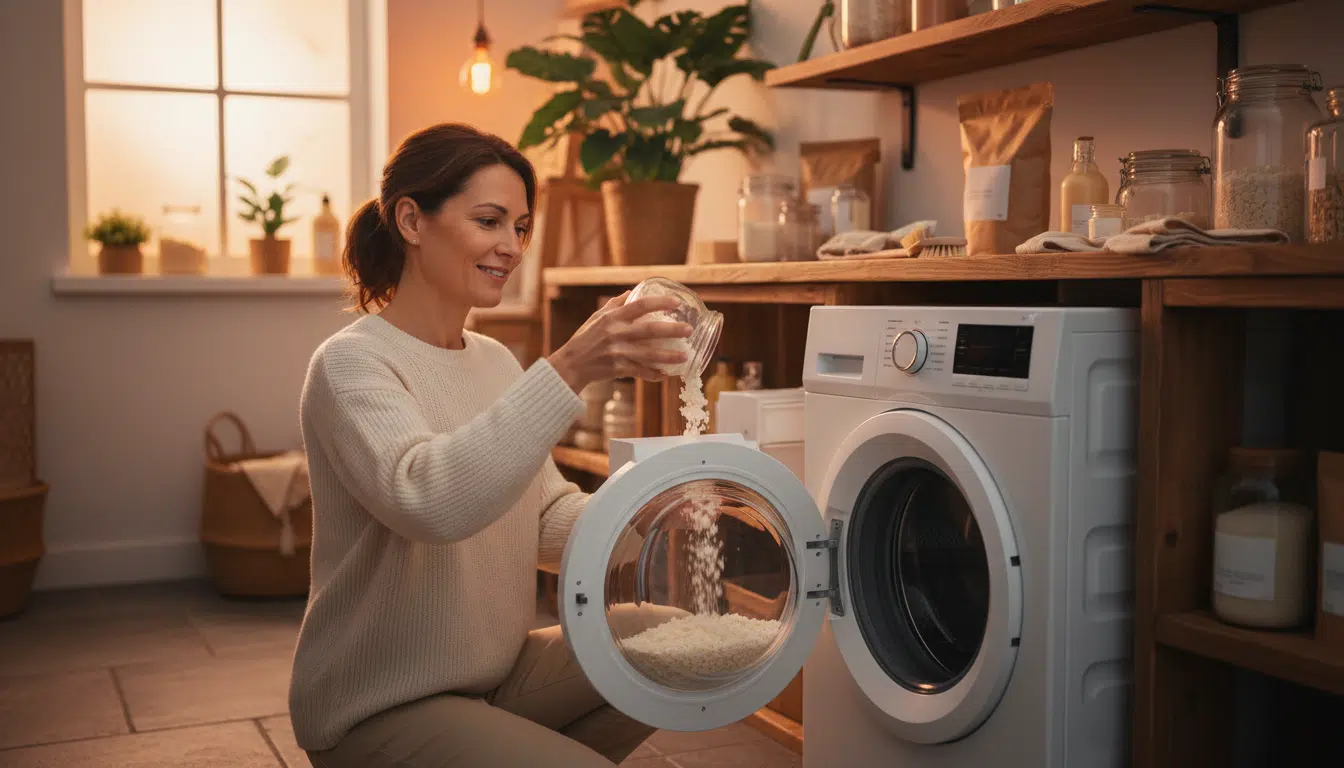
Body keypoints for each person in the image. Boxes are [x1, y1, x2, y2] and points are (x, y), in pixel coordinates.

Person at [290, 123, 692, 767]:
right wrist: (570, 367)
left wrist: (663, 500)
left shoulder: (497, 361)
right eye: (489, 221)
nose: (511, 246)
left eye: (521, 227)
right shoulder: (351, 365)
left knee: (676, 643)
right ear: (411, 221)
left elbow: (547, 518)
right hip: (377, 707)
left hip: (492, 681)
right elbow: (429, 500)